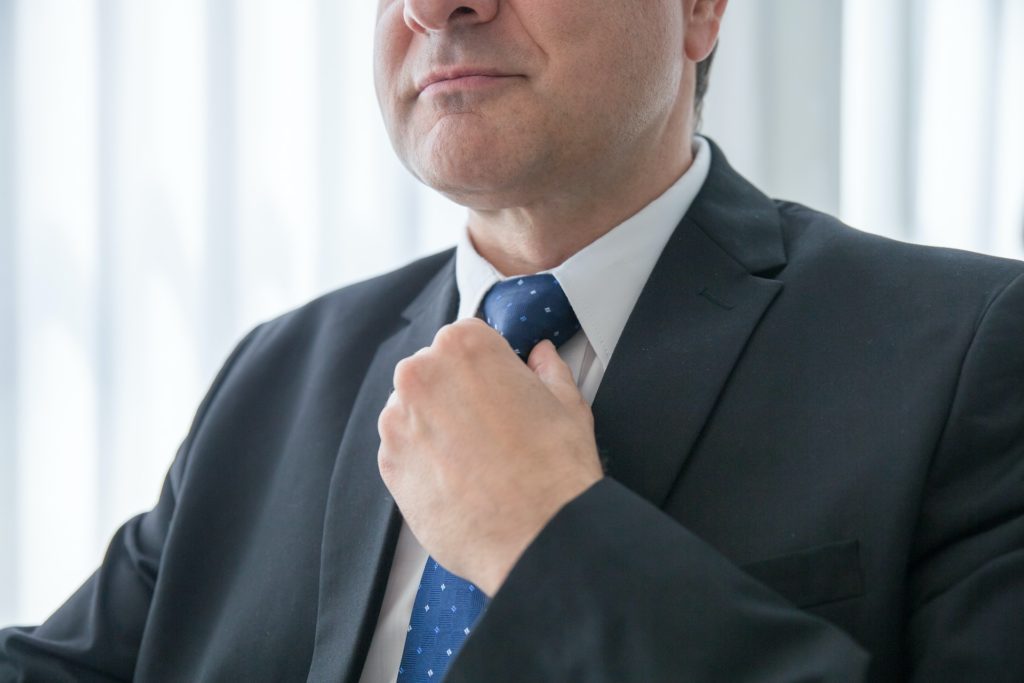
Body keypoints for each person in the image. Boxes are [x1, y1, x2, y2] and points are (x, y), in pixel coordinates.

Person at [2, 0, 1023, 680]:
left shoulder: (969, 350)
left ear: (701, 9)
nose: (435, 5)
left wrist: (546, 536)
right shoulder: (276, 370)